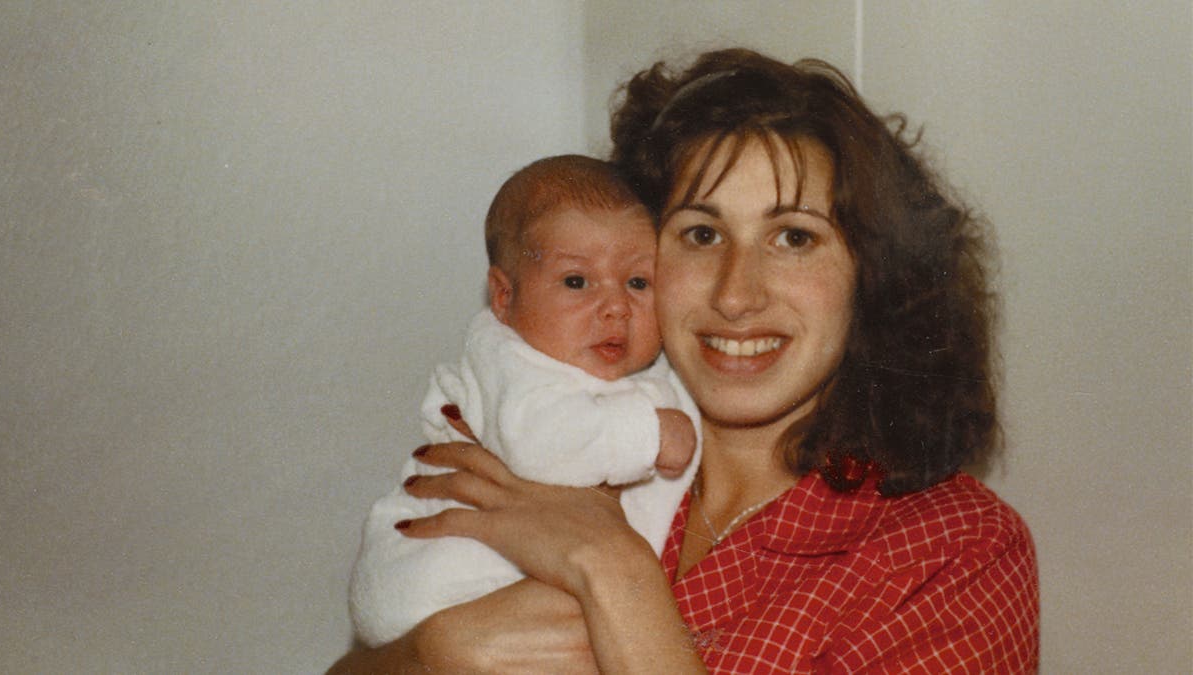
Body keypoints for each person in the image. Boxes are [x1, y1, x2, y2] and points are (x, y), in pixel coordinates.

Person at [329, 48, 1039, 674]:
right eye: (701, 232)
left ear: (873, 276)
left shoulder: (955, 550)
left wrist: (614, 570)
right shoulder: (559, 428)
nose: (736, 293)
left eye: (793, 237)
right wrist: (426, 656)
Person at [347, 155, 699, 647]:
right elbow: (539, 446)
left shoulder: (641, 370)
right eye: (576, 281)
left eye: (638, 282)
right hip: (431, 574)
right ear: (503, 297)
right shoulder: (507, 357)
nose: (616, 306)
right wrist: (652, 433)